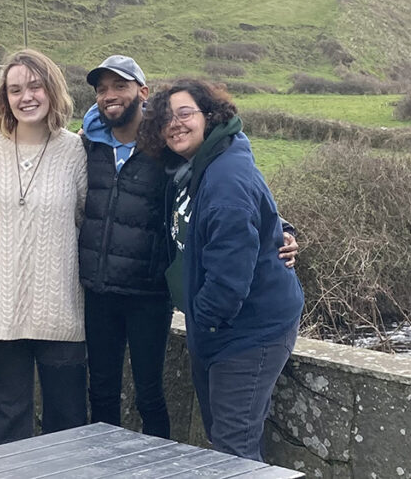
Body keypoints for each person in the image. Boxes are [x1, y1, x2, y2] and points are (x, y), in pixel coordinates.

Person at [78, 54, 298, 440]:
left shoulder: (165, 150)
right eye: (102, 89)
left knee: (151, 397)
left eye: (120, 86)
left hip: (150, 293)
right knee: (102, 393)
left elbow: (240, 199)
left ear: (142, 93)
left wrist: (282, 230)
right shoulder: (87, 145)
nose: (109, 95)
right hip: (98, 290)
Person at [139, 79, 304, 461]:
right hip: (225, 329)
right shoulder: (195, 166)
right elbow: (258, 215)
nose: (175, 124)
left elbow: (230, 275)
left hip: (248, 331)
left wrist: (206, 321)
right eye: (166, 118)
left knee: (233, 447)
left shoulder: (224, 176)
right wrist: (282, 229)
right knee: (231, 438)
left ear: (210, 117)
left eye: (185, 114)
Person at [0, 49, 88, 444]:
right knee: (8, 423)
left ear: (52, 90)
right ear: (4, 98)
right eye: (15, 89)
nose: (26, 97)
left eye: (35, 86)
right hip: (1, 312)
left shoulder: (75, 151)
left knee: (68, 424)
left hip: (61, 312)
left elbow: (90, 215)